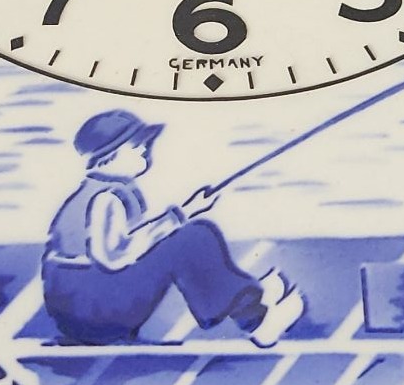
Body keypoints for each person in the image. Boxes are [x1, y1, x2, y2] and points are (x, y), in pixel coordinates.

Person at [41, 110, 304, 348]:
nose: (145, 149)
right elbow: (113, 256)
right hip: (94, 311)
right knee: (194, 237)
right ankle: (257, 321)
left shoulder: (90, 192)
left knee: (187, 236)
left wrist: (181, 216)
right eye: (136, 145)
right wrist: (181, 214)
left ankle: (245, 297)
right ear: (109, 155)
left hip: (79, 310)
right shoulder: (106, 198)